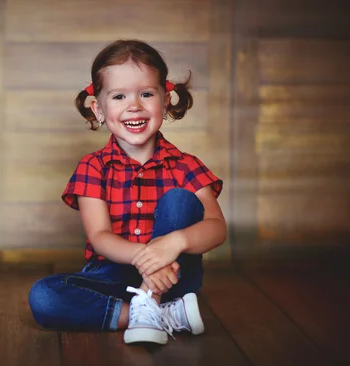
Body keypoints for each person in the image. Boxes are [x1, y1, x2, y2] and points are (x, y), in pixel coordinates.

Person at [28, 39, 226, 345]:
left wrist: (173, 244)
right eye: (119, 96)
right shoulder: (93, 166)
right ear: (99, 108)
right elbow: (100, 237)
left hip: (174, 276)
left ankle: (153, 304)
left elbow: (216, 228)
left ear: (165, 100)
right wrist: (145, 257)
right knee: (44, 296)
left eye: (146, 94)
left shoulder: (185, 165)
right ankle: (151, 314)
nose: (134, 105)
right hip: (113, 277)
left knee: (179, 200)